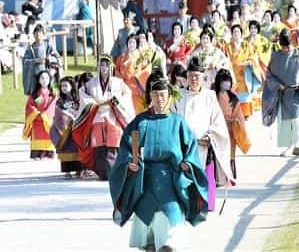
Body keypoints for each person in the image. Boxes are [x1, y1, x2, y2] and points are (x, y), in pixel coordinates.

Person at [109, 76, 208, 252]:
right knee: (146, 216)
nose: (159, 99)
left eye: (163, 95)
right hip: (145, 179)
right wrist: (128, 164)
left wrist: (188, 164)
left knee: (171, 215)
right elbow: (127, 147)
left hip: (170, 178)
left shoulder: (178, 122)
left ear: (169, 96)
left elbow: (191, 149)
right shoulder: (140, 122)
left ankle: (168, 245)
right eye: (156, 95)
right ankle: (149, 244)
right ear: (151, 97)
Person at [171, 56, 233, 211]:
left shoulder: (209, 96)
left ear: (202, 77)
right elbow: (172, 118)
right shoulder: (179, 96)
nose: (194, 79)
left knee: (205, 176)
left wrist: (210, 136)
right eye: (191, 76)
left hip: (205, 144)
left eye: (197, 76)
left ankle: (205, 204)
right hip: (184, 145)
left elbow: (218, 122)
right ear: (186, 77)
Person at [73, 55, 134, 180]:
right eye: (102, 65)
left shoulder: (118, 82)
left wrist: (117, 101)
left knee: (114, 144)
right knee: (99, 147)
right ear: (98, 67)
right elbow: (82, 94)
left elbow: (128, 94)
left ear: (111, 67)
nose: (104, 68)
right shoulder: (91, 84)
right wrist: (93, 104)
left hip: (113, 116)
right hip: (97, 116)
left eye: (107, 65)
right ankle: (102, 172)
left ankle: (115, 172)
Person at [262, 29, 299, 157]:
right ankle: (287, 146)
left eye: (288, 46)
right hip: (281, 94)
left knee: (297, 120)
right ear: (280, 44)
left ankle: (297, 144)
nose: (286, 49)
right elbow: (269, 75)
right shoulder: (275, 56)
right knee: (284, 123)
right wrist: (277, 85)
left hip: (296, 93)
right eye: (284, 46)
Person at [213, 69, 250, 178]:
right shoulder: (212, 96)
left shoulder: (234, 98)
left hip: (231, 129)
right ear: (218, 82)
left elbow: (239, 115)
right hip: (217, 129)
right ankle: (219, 175)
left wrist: (236, 122)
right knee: (218, 152)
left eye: (228, 81)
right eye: (224, 81)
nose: (226, 83)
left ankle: (231, 174)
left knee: (230, 152)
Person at [50, 77, 83, 178]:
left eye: (66, 85)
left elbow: (81, 111)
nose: (63, 88)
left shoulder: (77, 100)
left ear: (72, 86)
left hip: (75, 128)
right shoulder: (60, 101)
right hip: (64, 130)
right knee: (66, 149)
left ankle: (78, 170)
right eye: (62, 86)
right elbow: (57, 115)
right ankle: (67, 171)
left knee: (76, 149)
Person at [23, 70, 57, 160]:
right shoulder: (34, 95)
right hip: (37, 120)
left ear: (50, 80)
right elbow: (30, 106)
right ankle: (37, 154)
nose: (44, 80)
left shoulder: (53, 94)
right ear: (38, 80)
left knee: (48, 136)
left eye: (46, 78)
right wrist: (36, 113)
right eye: (42, 78)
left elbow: (53, 107)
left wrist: (45, 115)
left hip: (47, 121)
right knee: (37, 136)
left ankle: (48, 154)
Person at [115, 35, 152, 114]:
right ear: (127, 44)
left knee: (138, 113)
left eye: (134, 42)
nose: (131, 44)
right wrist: (120, 82)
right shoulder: (121, 58)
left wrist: (138, 76)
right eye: (130, 42)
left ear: (137, 44)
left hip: (137, 88)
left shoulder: (142, 57)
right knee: (126, 114)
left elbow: (147, 70)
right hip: (124, 88)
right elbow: (116, 71)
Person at [22, 25, 61, 95]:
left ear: (43, 34)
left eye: (40, 33)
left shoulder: (48, 46)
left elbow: (57, 57)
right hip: (34, 77)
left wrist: (49, 59)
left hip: (47, 75)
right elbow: (25, 62)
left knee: (48, 93)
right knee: (37, 95)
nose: (38, 36)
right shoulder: (30, 49)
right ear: (33, 35)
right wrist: (36, 60)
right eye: (36, 34)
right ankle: (38, 105)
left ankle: (48, 105)